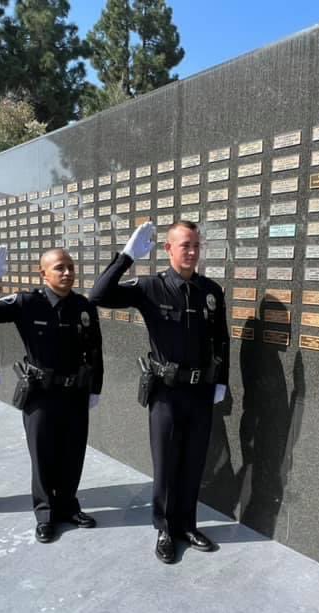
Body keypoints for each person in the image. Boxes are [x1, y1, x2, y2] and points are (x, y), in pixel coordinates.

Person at [90, 220, 229, 564]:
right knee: (167, 464)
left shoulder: (210, 291)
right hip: (166, 392)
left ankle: (188, 525)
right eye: (185, 245)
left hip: (200, 392)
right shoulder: (150, 287)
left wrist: (222, 381)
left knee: (194, 462)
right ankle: (165, 529)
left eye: (196, 245)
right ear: (168, 249)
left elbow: (222, 340)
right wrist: (126, 256)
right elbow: (98, 295)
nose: (193, 252)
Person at [0, 246, 103, 544]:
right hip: (41, 394)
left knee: (72, 454)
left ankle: (68, 506)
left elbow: (95, 350)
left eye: (70, 266)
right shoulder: (27, 302)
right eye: (59, 268)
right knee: (43, 456)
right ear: (43, 273)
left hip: (75, 393)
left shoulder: (83, 306)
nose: (67, 272)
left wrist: (96, 388)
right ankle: (45, 514)